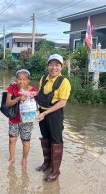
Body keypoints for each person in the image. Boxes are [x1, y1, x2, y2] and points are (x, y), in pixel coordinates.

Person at [35, 54, 71, 182]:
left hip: (54, 114)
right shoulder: (43, 78)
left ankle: (56, 171)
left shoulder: (64, 82)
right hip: (42, 113)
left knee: (56, 141)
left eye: (57, 65)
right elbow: (39, 95)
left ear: (61, 67)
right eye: (51, 64)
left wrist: (45, 113)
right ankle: (47, 164)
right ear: (47, 66)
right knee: (45, 138)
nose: (53, 67)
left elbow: (62, 102)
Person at [5, 69, 37, 167]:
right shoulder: (12, 88)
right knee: (12, 139)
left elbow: (37, 107)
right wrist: (18, 98)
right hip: (14, 118)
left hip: (27, 120)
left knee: (26, 141)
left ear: (28, 80)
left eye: (24, 79)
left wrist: (33, 95)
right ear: (16, 79)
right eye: (19, 79)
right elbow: (7, 104)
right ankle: (12, 158)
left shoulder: (33, 91)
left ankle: (24, 160)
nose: (21, 82)